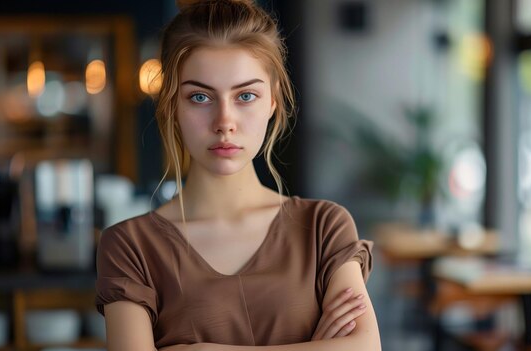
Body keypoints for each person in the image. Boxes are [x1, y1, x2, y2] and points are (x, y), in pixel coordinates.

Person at [95, 0, 381, 350]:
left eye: (245, 95)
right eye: (200, 97)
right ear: (172, 105)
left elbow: (364, 347)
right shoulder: (130, 247)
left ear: (272, 102)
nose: (224, 122)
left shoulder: (323, 226)